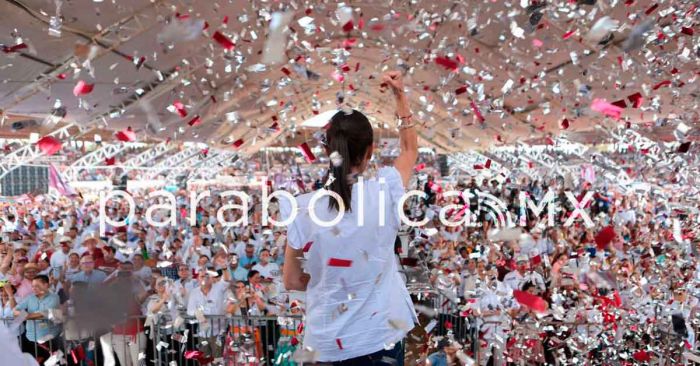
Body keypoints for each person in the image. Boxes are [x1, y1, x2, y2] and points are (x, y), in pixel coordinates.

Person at [281, 71, 418, 365]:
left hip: (326, 344)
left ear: (326, 151)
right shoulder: (386, 190)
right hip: (380, 336)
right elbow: (409, 149)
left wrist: (333, 280)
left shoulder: (302, 209)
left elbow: (292, 279)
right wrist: (400, 96)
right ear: (370, 152)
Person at [13, 275, 61, 364]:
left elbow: (44, 314)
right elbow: (15, 310)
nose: (34, 288)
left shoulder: (54, 297)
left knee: (51, 364)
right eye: (33, 286)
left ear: (46, 285)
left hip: (49, 339)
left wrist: (26, 316)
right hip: (30, 339)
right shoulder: (30, 297)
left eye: (37, 286)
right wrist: (25, 315)